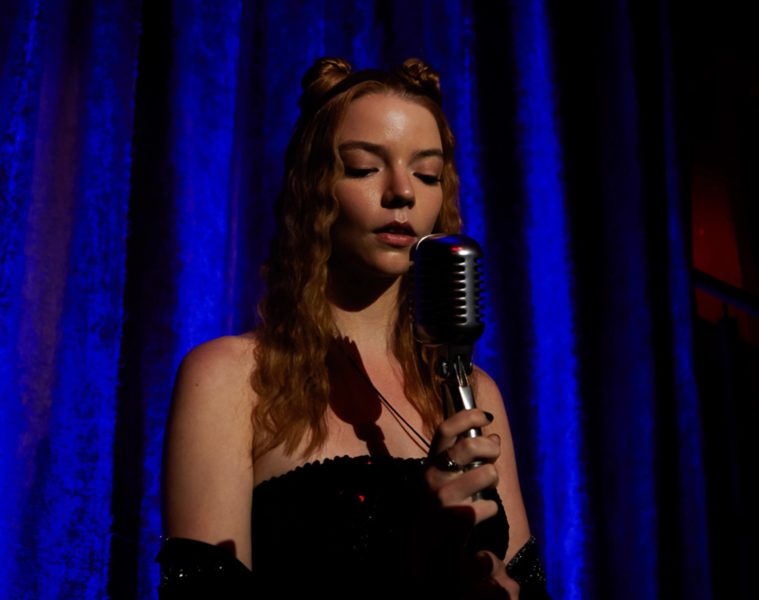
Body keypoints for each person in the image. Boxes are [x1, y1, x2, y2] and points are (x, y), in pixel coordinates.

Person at [157, 57, 548, 598]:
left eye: (427, 174)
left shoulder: (473, 393)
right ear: (312, 189)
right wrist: (414, 562)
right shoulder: (229, 381)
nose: (403, 192)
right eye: (364, 168)